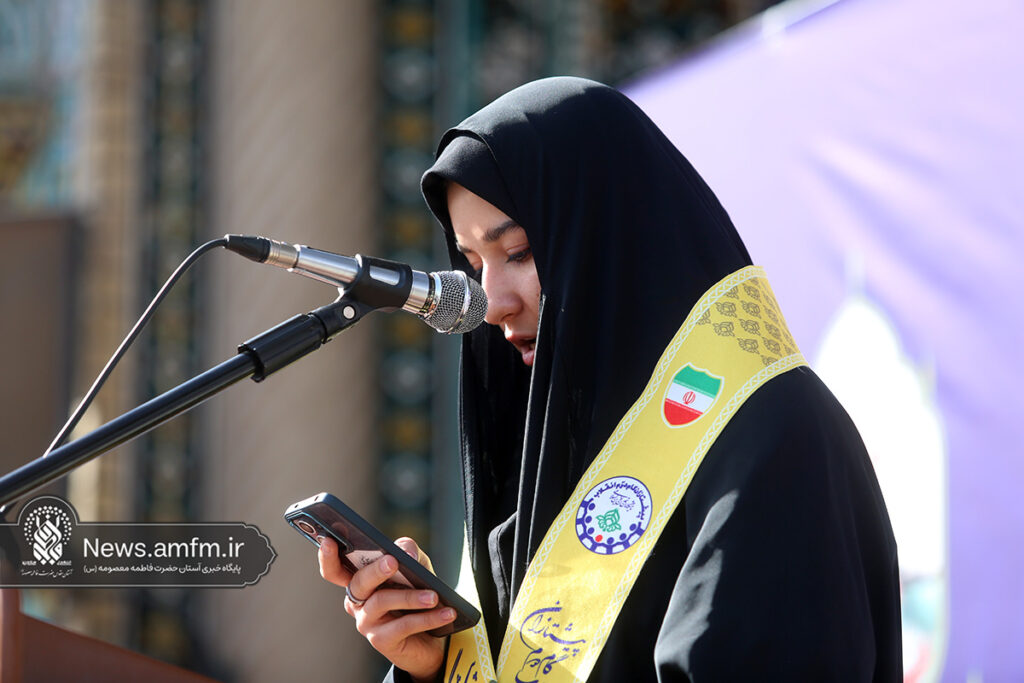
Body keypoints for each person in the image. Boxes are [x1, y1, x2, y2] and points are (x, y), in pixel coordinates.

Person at [317, 77, 902, 682]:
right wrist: (429, 668)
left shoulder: (771, 432)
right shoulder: (548, 464)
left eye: (518, 252)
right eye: (472, 263)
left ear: (613, 237)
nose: (491, 304)